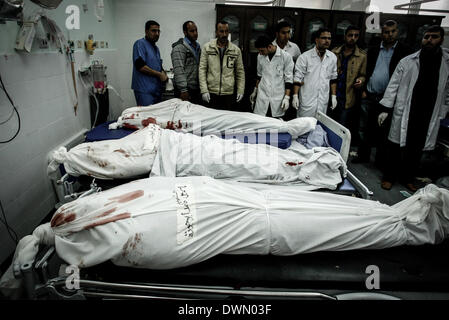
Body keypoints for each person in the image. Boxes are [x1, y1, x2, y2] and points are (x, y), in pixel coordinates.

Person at [378, 25, 449, 191]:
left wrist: (443, 111)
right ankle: (389, 177)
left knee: (416, 149)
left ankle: (407, 178)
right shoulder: (408, 61)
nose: (429, 40)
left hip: (429, 111)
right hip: (406, 109)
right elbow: (393, 86)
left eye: (434, 37)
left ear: (441, 39)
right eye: (427, 37)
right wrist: (385, 108)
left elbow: (447, 90)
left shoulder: (445, 62)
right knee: (395, 147)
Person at [352, 20, 412, 165]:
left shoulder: (405, 52)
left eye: (393, 31)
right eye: (386, 32)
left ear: (397, 32)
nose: (390, 35)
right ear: (381, 33)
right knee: (365, 128)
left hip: (390, 98)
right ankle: (363, 156)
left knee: (385, 130)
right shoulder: (372, 50)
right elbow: (365, 71)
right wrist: (364, 88)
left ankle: (380, 161)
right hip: (370, 95)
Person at [199, 20, 245, 111]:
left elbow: (240, 72)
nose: (224, 34)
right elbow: (202, 70)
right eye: (221, 31)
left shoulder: (235, 50)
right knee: (211, 121)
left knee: (227, 122)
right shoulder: (207, 48)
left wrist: (240, 90)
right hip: (211, 93)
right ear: (216, 32)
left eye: (226, 31)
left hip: (228, 94)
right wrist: (204, 90)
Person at [330, 25, 366, 138]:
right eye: (350, 35)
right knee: (327, 123)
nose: (353, 38)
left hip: (347, 96)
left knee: (341, 127)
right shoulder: (334, 52)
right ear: (345, 36)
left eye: (356, 36)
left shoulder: (361, 56)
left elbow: (363, 75)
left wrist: (360, 80)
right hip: (331, 94)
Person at [292, 28, 338, 117]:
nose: (327, 41)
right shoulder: (304, 57)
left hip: (323, 101)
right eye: (324, 38)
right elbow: (297, 78)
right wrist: (295, 96)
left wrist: (333, 96)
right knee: (303, 126)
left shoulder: (332, 57)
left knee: (319, 128)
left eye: (329, 38)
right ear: (316, 40)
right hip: (307, 100)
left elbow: (333, 79)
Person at [249, 35, 294, 118]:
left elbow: (289, 79)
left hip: (278, 97)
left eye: (262, 50)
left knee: (275, 125)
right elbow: (259, 75)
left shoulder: (286, 57)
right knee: (260, 121)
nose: (260, 53)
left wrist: (287, 97)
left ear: (269, 47)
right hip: (262, 95)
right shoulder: (260, 56)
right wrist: (255, 90)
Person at [131, 20, 168, 106]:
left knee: (156, 117)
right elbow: (140, 66)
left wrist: (164, 75)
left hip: (156, 90)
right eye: (153, 31)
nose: (157, 33)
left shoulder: (156, 49)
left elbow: (158, 66)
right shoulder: (140, 44)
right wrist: (159, 74)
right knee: (147, 116)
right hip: (144, 90)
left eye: (158, 31)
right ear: (146, 31)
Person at [170, 21, 202, 105]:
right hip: (185, 90)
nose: (195, 33)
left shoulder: (197, 47)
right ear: (185, 32)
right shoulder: (179, 48)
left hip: (195, 88)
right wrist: (183, 90)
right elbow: (179, 70)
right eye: (192, 31)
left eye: (196, 30)